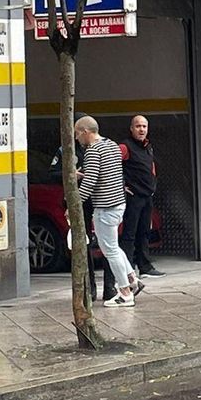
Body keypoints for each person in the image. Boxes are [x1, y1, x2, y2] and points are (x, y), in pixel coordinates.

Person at [75, 115, 141, 307]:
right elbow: (106, 173)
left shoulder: (93, 150)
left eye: (78, 134)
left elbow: (90, 182)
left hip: (105, 207)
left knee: (110, 251)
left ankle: (125, 293)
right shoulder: (111, 145)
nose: (77, 138)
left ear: (86, 132)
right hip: (119, 203)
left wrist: (75, 203)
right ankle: (132, 279)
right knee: (114, 246)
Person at [119, 115, 163, 278]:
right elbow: (112, 166)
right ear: (131, 128)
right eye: (138, 126)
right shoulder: (124, 147)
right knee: (129, 234)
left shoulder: (148, 147)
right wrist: (121, 186)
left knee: (144, 232)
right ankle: (128, 269)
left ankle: (145, 266)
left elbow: (151, 167)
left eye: (144, 126)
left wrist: (153, 184)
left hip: (147, 197)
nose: (141, 129)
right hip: (133, 198)